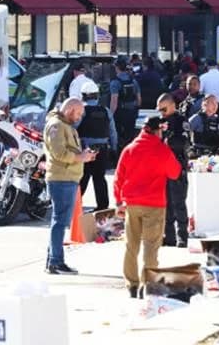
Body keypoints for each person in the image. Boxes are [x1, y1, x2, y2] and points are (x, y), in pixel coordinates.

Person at [114, 117, 182, 298]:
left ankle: (132, 285)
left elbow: (118, 177)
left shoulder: (130, 149)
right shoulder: (162, 150)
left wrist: (118, 202)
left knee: (131, 245)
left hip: (132, 204)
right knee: (151, 247)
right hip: (154, 204)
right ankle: (148, 285)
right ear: (158, 131)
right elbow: (175, 173)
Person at [43, 98, 98, 275]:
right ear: (70, 110)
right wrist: (80, 157)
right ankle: (56, 262)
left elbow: (68, 151)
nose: (80, 117)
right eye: (79, 113)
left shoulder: (64, 125)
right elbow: (59, 153)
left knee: (59, 221)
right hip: (62, 179)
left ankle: (53, 260)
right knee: (60, 222)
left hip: (67, 178)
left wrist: (84, 155)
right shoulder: (57, 126)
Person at [76, 80, 117, 210]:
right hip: (102, 150)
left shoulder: (81, 111)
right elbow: (113, 132)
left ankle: (75, 206)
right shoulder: (106, 111)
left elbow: (73, 128)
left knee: (82, 179)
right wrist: (114, 149)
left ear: (83, 96)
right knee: (99, 178)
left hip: (84, 150)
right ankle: (102, 207)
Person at [156, 94, 190, 247]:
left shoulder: (181, 121)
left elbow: (182, 142)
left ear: (172, 105)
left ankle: (182, 235)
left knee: (179, 202)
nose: (161, 112)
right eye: (159, 110)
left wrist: (167, 139)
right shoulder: (160, 122)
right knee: (165, 203)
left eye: (163, 109)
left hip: (177, 165)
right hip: (162, 168)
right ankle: (168, 236)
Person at [109, 56, 141, 151]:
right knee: (130, 136)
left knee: (119, 136)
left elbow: (114, 102)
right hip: (132, 113)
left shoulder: (115, 83)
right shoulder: (133, 81)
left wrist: (110, 116)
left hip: (120, 113)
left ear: (117, 68)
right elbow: (139, 100)